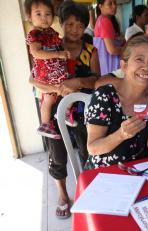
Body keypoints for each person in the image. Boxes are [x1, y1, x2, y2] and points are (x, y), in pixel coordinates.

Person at [29, 1, 100, 219]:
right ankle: (62, 195)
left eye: (80, 25)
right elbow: (32, 79)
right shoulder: (50, 45)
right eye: (69, 24)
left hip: (83, 111)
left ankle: (91, 190)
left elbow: (97, 80)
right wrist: (56, 89)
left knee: (89, 151)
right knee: (57, 155)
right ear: (61, 24)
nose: (74, 30)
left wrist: (77, 82)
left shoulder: (91, 50)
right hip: (56, 111)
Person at [86, 35, 148, 175]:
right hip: (105, 173)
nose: (146, 67)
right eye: (139, 59)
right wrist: (121, 135)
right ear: (124, 66)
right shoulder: (105, 96)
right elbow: (93, 148)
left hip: (141, 170)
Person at [25, 0, 70, 139]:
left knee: (66, 91)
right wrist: (58, 54)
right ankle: (45, 124)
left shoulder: (51, 32)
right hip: (46, 74)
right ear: (29, 17)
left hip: (56, 72)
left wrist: (64, 52)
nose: (44, 18)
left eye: (48, 14)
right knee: (49, 99)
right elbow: (36, 53)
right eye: (38, 14)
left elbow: (58, 47)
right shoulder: (35, 34)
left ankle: (65, 113)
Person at [94, 0, 123, 75]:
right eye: (110, 4)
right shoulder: (105, 21)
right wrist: (128, 49)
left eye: (115, 3)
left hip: (104, 67)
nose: (114, 6)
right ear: (100, 6)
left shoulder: (101, 20)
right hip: (111, 68)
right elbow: (112, 50)